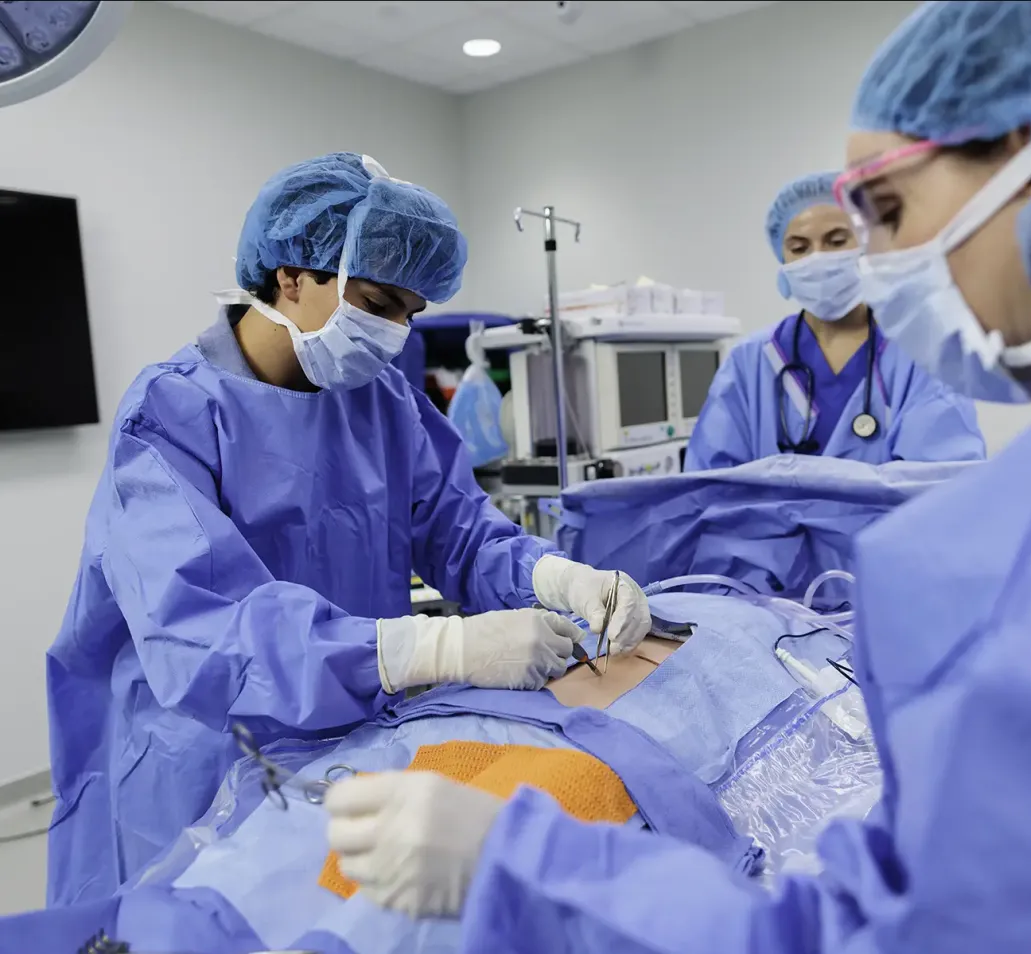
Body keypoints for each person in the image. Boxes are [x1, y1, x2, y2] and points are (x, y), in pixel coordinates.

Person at [321, 2, 1031, 950]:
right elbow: (708, 498)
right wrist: (521, 596)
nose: (880, 260)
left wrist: (528, 871)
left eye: (886, 214)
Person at [44, 153, 650, 907]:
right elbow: (201, 630)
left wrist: (560, 578)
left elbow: (461, 533)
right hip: (199, 759)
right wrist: (437, 647)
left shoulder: (382, 401)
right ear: (291, 276)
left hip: (349, 734)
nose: (396, 332)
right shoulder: (169, 416)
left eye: (410, 312)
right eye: (377, 301)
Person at [684, 171, 985, 469]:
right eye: (799, 248)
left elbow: (942, 480)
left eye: (836, 241)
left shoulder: (922, 353)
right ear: (783, 261)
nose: (818, 258)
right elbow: (710, 484)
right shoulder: (751, 360)